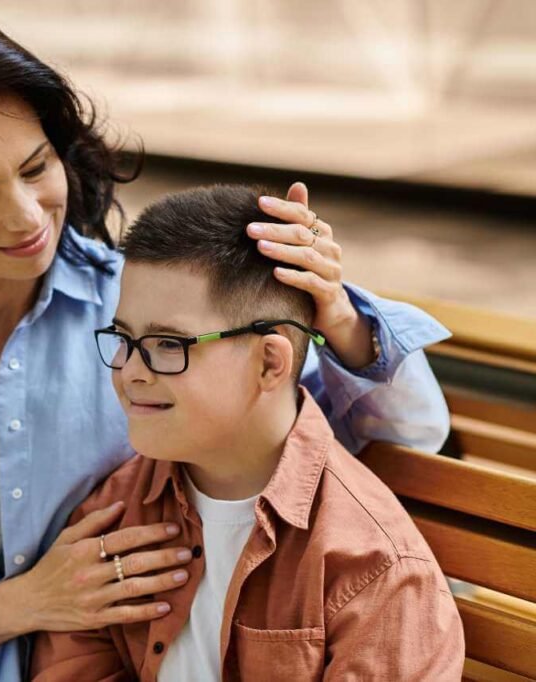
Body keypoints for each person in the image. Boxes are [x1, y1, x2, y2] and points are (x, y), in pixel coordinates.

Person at [0, 9, 451, 681]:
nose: (25, 215)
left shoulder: (143, 313)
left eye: (36, 168)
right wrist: (15, 605)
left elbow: (404, 440)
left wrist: (334, 312)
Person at [30, 185, 465, 681]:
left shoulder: (375, 566)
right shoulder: (113, 512)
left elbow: (420, 428)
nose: (131, 371)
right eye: (124, 339)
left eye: (168, 344)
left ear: (270, 362)